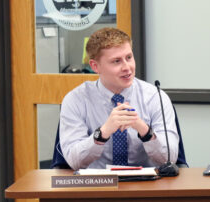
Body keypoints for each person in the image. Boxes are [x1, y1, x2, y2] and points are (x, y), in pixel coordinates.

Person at [59, 27, 179, 170]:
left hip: (147, 186)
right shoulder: (76, 100)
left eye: (129, 57)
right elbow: (74, 162)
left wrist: (145, 131)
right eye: (116, 61)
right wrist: (102, 134)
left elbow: (170, 159)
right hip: (96, 186)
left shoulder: (155, 97)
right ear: (95, 66)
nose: (127, 67)